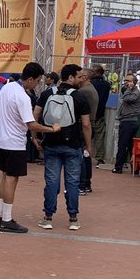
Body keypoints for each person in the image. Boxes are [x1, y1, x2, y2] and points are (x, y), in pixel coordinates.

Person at [0, 62, 59, 233]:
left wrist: (9, 117)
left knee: (5, 176)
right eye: (37, 81)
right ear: (30, 79)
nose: (37, 84)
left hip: (2, 140)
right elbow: (31, 124)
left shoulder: (7, 87)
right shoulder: (22, 97)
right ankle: (6, 219)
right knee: (11, 179)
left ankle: (2, 216)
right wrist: (51, 129)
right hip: (14, 143)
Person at [34, 64, 92, 230]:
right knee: (72, 182)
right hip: (73, 146)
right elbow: (86, 124)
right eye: (79, 76)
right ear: (71, 77)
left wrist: (35, 137)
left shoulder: (46, 94)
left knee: (51, 181)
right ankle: (73, 218)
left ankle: (48, 217)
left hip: (51, 144)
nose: (82, 79)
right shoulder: (80, 97)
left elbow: (35, 115)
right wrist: (88, 145)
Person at [74, 68, 99, 195]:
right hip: (89, 124)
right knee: (86, 156)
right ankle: (86, 183)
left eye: (78, 76)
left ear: (83, 78)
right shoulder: (90, 89)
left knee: (82, 156)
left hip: (86, 125)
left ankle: (82, 184)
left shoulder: (83, 91)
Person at [112, 73, 140, 174]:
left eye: (128, 81)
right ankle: (135, 168)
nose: (125, 83)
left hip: (130, 121)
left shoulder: (135, 93)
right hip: (126, 120)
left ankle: (118, 167)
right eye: (125, 81)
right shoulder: (127, 91)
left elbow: (128, 99)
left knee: (123, 145)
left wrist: (128, 89)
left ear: (134, 82)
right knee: (129, 145)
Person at [90, 66, 111, 166]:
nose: (91, 72)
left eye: (93, 71)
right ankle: (100, 158)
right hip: (100, 113)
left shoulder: (90, 84)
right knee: (100, 136)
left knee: (84, 135)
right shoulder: (106, 85)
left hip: (88, 113)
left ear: (98, 72)